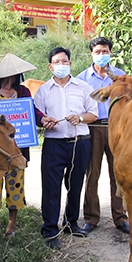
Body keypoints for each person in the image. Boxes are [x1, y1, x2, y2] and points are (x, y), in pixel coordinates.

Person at [34, 47, 98, 249]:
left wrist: (79, 118)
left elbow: (93, 114)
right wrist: (45, 121)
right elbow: (38, 117)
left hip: (80, 142)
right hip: (54, 143)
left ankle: (71, 223)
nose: (61, 65)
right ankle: (50, 230)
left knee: (75, 185)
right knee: (51, 188)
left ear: (70, 63)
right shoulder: (44, 90)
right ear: (50, 66)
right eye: (57, 62)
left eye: (65, 61)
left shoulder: (83, 87)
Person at [77, 37, 130, 235]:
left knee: (118, 173)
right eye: (97, 51)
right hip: (93, 128)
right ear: (91, 53)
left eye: (105, 51)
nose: (101, 55)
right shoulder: (83, 78)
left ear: (110, 52)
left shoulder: (121, 76)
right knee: (92, 174)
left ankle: (121, 216)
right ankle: (91, 217)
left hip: (117, 129)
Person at [0, 53, 44, 238]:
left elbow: (31, 110)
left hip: (18, 148)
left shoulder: (23, 92)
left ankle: (12, 225)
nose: (12, 77)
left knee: (15, 185)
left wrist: (42, 119)